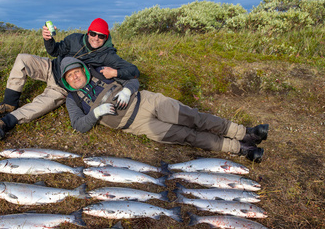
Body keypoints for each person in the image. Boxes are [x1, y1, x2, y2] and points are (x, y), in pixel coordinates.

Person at [59, 57, 268, 162]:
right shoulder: (73, 99)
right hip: (139, 125)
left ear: (83, 69)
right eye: (70, 76)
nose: (75, 76)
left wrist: (127, 91)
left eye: (77, 71)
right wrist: (95, 113)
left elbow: (132, 80)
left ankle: (245, 133)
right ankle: (241, 149)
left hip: (147, 101)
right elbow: (79, 126)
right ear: (66, 81)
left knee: (194, 117)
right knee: (188, 136)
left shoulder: (101, 72)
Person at [0, 18, 140, 140]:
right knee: (23, 59)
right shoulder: (74, 39)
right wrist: (48, 39)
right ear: (88, 32)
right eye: (93, 33)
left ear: (106, 37)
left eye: (101, 36)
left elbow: (133, 70)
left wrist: (115, 73)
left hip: (64, 86)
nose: (96, 38)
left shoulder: (108, 55)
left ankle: (5, 123)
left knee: (39, 106)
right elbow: (55, 51)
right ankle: (9, 104)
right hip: (52, 67)